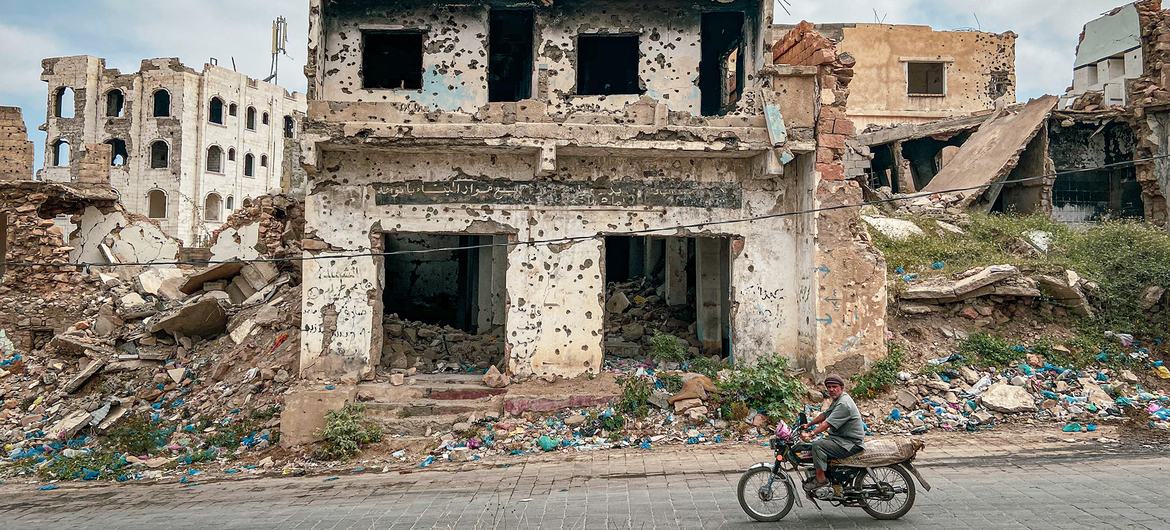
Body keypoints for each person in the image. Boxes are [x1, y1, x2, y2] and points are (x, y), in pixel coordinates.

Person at [798, 374, 865, 492]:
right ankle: (832, 478)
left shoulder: (843, 404)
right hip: (841, 439)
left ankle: (821, 479)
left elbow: (827, 423)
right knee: (820, 443)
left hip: (850, 443)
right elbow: (825, 415)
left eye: (834, 386)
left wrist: (811, 434)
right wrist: (808, 425)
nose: (831, 389)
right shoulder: (839, 399)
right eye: (829, 387)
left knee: (817, 446)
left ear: (842, 387)